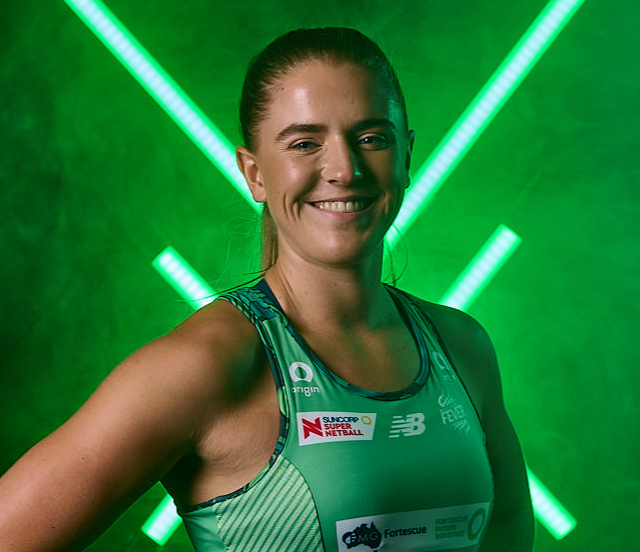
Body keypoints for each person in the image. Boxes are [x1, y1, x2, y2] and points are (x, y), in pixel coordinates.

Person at [0, 27, 534, 552]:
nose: (344, 169)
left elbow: (508, 532)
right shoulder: (205, 366)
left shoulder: (461, 346)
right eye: (305, 143)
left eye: (372, 138)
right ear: (254, 173)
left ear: (407, 156)